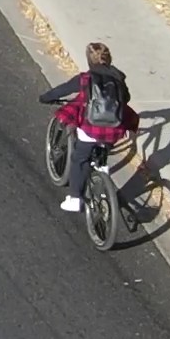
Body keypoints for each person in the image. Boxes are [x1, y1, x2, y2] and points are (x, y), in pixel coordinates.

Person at [49, 42, 140, 213]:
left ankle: (75, 199)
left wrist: (46, 97)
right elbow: (125, 98)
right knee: (104, 143)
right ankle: (102, 168)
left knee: (79, 159)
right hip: (114, 128)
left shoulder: (85, 78)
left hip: (91, 128)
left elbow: (62, 90)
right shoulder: (119, 77)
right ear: (109, 58)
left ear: (89, 60)